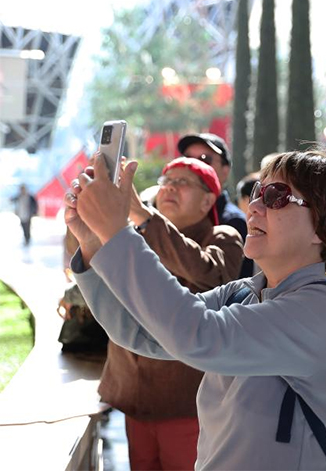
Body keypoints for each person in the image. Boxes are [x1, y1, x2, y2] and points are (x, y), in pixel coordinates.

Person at [64, 149, 326, 470]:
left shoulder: (321, 310)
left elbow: (197, 335)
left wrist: (117, 232)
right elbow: (144, 334)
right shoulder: (245, 293)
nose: (255, 206)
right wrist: (94, 244)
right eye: (258, 192)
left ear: (324, 225)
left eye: (276, 196)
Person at [102, 157, 244, 470]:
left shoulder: (224, 236)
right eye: (166, 181)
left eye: (182, 182)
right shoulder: (136, 234)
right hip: (135, 394)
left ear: (208, 199)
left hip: (187, 401)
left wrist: (141, 213)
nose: (169, 188)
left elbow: (209, 274)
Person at [177, 132, 253, 277]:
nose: (194, 165)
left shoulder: (235, 223)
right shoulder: (167, 213)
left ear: (225, 171)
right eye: (187, 158)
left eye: (205, 159)